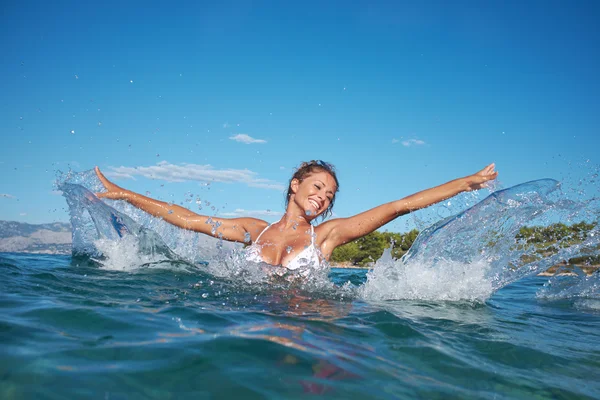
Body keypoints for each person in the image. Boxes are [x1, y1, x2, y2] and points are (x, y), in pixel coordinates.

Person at [94, 161, 497, 268]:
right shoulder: (255, 230)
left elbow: (398, 206)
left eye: (330, 195)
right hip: (253, 320)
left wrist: (464, 183)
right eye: (317, 187)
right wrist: (125, 195)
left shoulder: (327, 236)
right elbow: (186, 218)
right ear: (295, 185)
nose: (323, 197)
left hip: (312, 322)